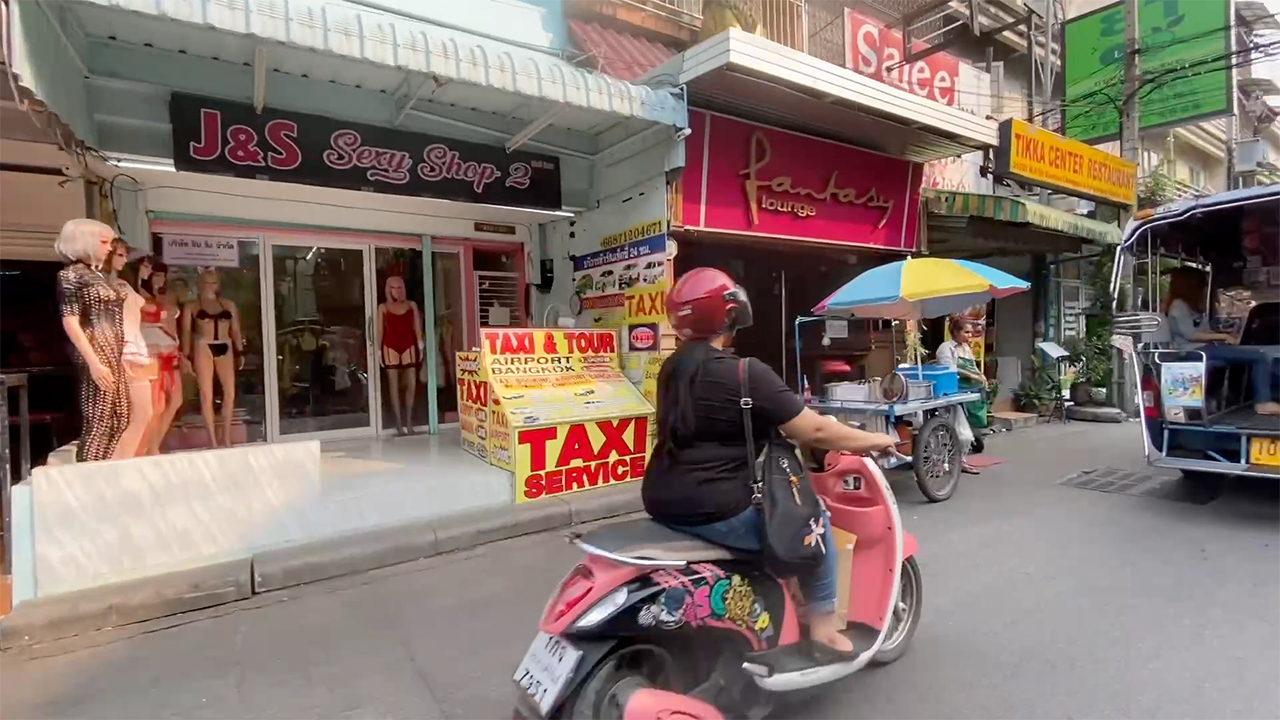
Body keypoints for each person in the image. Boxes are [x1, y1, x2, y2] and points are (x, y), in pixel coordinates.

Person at [642, 267, 899, 656]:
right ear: (731, 315)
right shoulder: (745, 374)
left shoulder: (672, 369)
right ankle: (825, 630)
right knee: (815, 524)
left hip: (661, 498)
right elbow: (813, 432)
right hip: (716, 507)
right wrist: (874, 439)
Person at [54, 218, 129, 462]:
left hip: (111, 348)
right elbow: (70, 320)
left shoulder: (98, 275)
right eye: (104, 242)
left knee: (120, 416)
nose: (108, 248)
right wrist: (93, 361)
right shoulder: (71, 275)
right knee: (99, 418)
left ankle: (99, 468)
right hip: (95, 348)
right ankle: (89, 473)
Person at [1164, 267, 1279, 415]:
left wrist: (1221, 335)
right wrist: (1223, 337)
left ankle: (1232, 401)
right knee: (1259, 356)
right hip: (1194, 351)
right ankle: (1263, 403)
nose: (1205, 289)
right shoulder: (1178, 306)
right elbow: (1191, 335)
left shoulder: (1189, 306)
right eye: (1202, 286)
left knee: (1245, 357)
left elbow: (1202, 332)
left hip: (1204, 349)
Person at [182, 270, 244, 447]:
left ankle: (226, 436)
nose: (210, 285)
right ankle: (212, 440)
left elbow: (236, 330)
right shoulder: (191, 307)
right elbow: (186, 333)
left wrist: (241, 351)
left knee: (230, 392)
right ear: (200, 283)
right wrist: (186, 357)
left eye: (213, 282)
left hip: (225, 344)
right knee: (206, 394)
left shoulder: (228, 304)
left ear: (218, 284)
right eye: (206, 282)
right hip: (203, 345)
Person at [106, 239, 155, 459]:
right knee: (129, 415)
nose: (124, 260)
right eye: (119, 255)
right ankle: (118, 462)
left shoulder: (123, 284)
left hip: (134, 350)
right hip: (122, 351)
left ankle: (122, 460)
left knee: (143, 413)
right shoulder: (104, 285)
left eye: (125, 255)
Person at [935, 316, 985, 475]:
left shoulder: (966, 348)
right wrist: (972, 376)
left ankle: (960, 461)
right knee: (949, 430)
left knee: (965, 429)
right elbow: (950, 368)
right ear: (955, 332)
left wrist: (980, 376)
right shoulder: (946, 348)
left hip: (964, 393)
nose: (969, 336)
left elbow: (973, 367)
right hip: (948, 392)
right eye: (966, 332)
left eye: (971, 333)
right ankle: (939, 463)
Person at [376, 275, 424, 436]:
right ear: (388, 290)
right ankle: (398, 423)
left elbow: (417, 326)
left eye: (399, 287)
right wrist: (378, 351)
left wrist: (420, 344)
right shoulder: (383, 307)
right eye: (393, 288)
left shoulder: (412, 305)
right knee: (393, 386)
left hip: (409, 345)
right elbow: (379, 330)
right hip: (390, 346)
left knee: (411, 384)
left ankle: (409, 421)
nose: (396, 291)